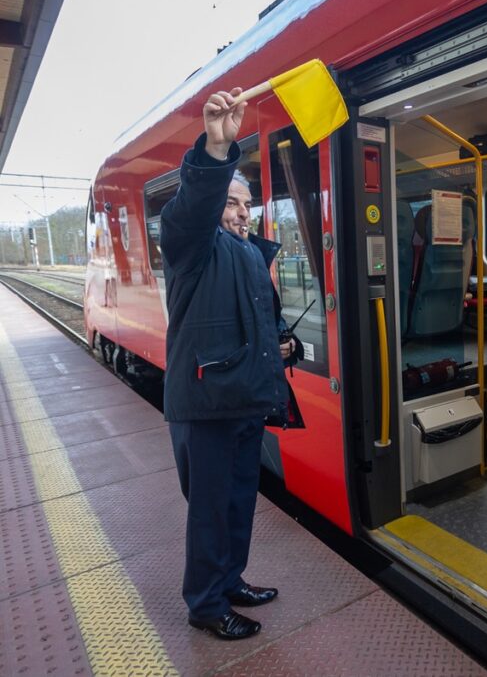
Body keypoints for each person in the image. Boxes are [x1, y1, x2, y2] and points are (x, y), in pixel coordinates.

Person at [160, 87, 300, 640]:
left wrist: (285, 347)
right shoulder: (193, 246)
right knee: (211, 510)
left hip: (244, 397)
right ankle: (205, 603)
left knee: (240, 500)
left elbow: (257, 323)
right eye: (232, 203)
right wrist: (218, 150)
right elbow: (193, 206)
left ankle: (231, 579)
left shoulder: (250, 254)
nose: (242, 213)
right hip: (208, 401)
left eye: (247, 205)